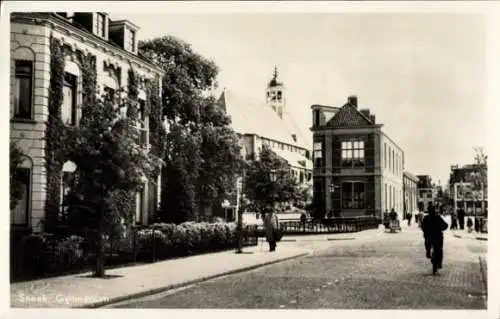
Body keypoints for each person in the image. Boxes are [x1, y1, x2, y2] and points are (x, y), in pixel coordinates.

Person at [421, 204, 449, 275]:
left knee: (427, 243)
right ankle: (439, 263)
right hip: (437, 237)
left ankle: (428, 252)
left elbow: (422, 227)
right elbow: (445, 225)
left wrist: (426, 231)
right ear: (434, 211)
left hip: (429, 237)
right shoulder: (437, 218)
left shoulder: (426, 218)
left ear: (428, 211)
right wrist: (440, 228)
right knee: (439, 250)